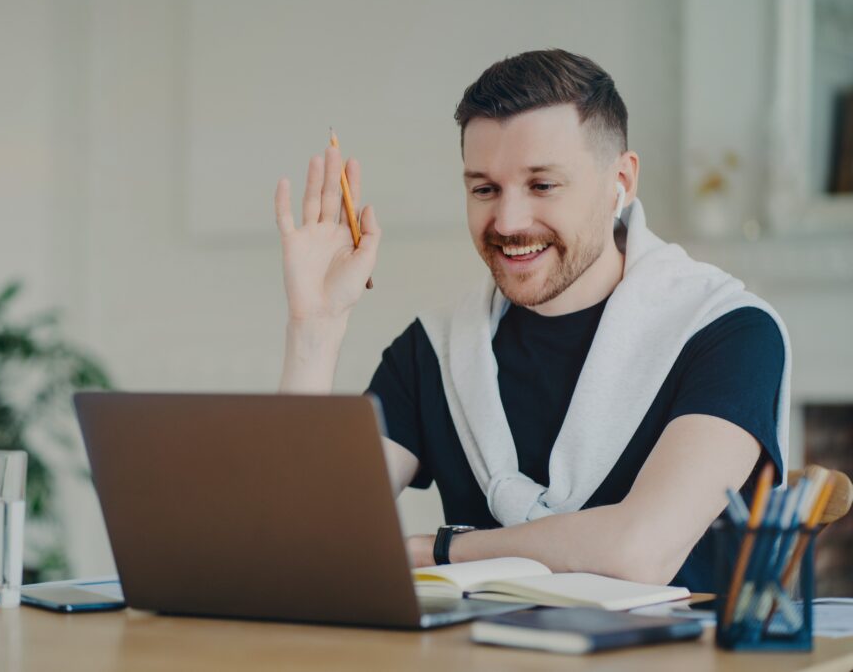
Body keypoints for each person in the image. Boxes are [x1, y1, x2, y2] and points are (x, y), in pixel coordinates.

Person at [273, 49, 789, 592]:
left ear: (622, 179)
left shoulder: (728, 333)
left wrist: (438, 549)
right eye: (484, 189)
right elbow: (295, 539)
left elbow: (640, 552)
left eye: (542, 185)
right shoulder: (437, 352)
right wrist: (316, 325)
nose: (509, 221)